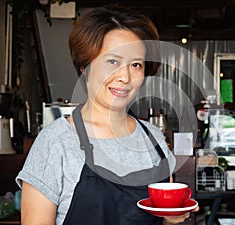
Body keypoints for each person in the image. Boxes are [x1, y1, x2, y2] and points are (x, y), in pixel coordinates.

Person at [16, 6, 198, 225]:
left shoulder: (154, 140)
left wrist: (171, 220)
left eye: (136, 65)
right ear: (85, 66)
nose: (125, 76)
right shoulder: (56, 142)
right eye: (112, 61)